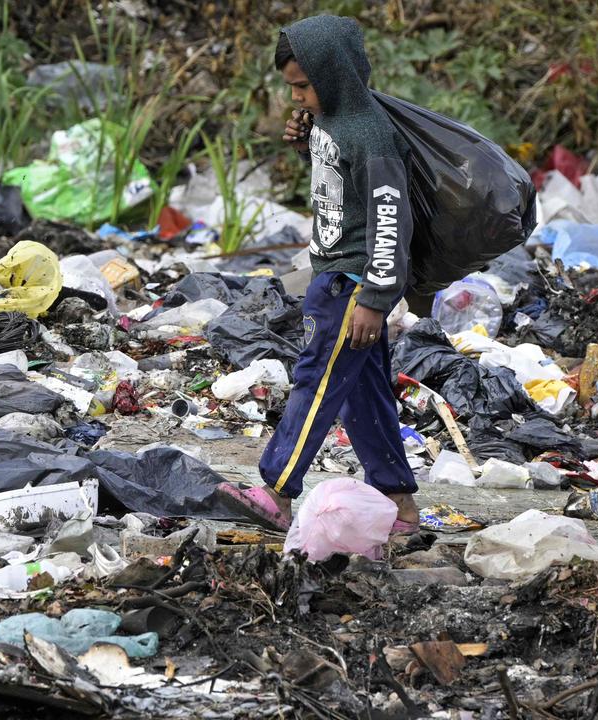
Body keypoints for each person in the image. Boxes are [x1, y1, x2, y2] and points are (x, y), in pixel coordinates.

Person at [219, 15, 420, 533]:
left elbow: (389, 219)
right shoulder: (331, 122)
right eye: (292, 89)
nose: (298, 98)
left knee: (317, 382)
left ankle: (277, 492)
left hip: (350, 286)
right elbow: (342, 187)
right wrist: (306, 145)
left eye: (303, 87)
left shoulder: (371, 135)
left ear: (333, 75)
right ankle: (399, 507)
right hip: (333, 274)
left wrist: (376, 298)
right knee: (363, 394)